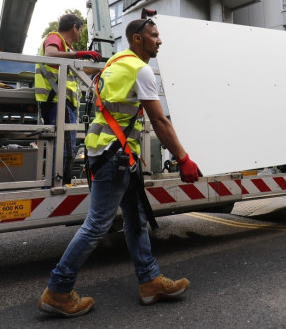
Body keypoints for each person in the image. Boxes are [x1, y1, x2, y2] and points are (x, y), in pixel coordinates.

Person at [38, 17, 202, 318]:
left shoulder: (116, 63)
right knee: (98, 224)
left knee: (136, 218)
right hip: (116, 155)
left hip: (111, 153)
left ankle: (150, 280)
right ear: (137, 39)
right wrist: (183, 158)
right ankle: (58, 290)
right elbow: (160, 121)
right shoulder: (140, 70)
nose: (159, 40)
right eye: (154, 35)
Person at [34, 13, 100, 181]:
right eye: (80, 30)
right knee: (65, 149)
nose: (80, 34)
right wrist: (79, 54)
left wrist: (101, 68)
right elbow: (49, 54)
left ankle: (58, 183)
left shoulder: (67, 50)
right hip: (57, 101)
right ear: (74, 28)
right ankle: (58, 185)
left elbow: (82, 70)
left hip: (62, 102)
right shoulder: (54, 38)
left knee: (65, 148)